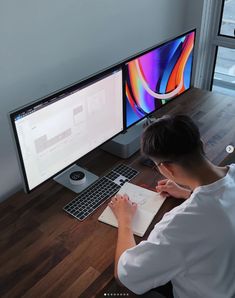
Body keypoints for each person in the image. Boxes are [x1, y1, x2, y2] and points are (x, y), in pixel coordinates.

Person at [108, 114, 235, 298]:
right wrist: (187, 193)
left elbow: (124, 276)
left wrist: (125, 219)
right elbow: (219, 208)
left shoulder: (178, 227)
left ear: (167, 169)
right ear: (201, 144)